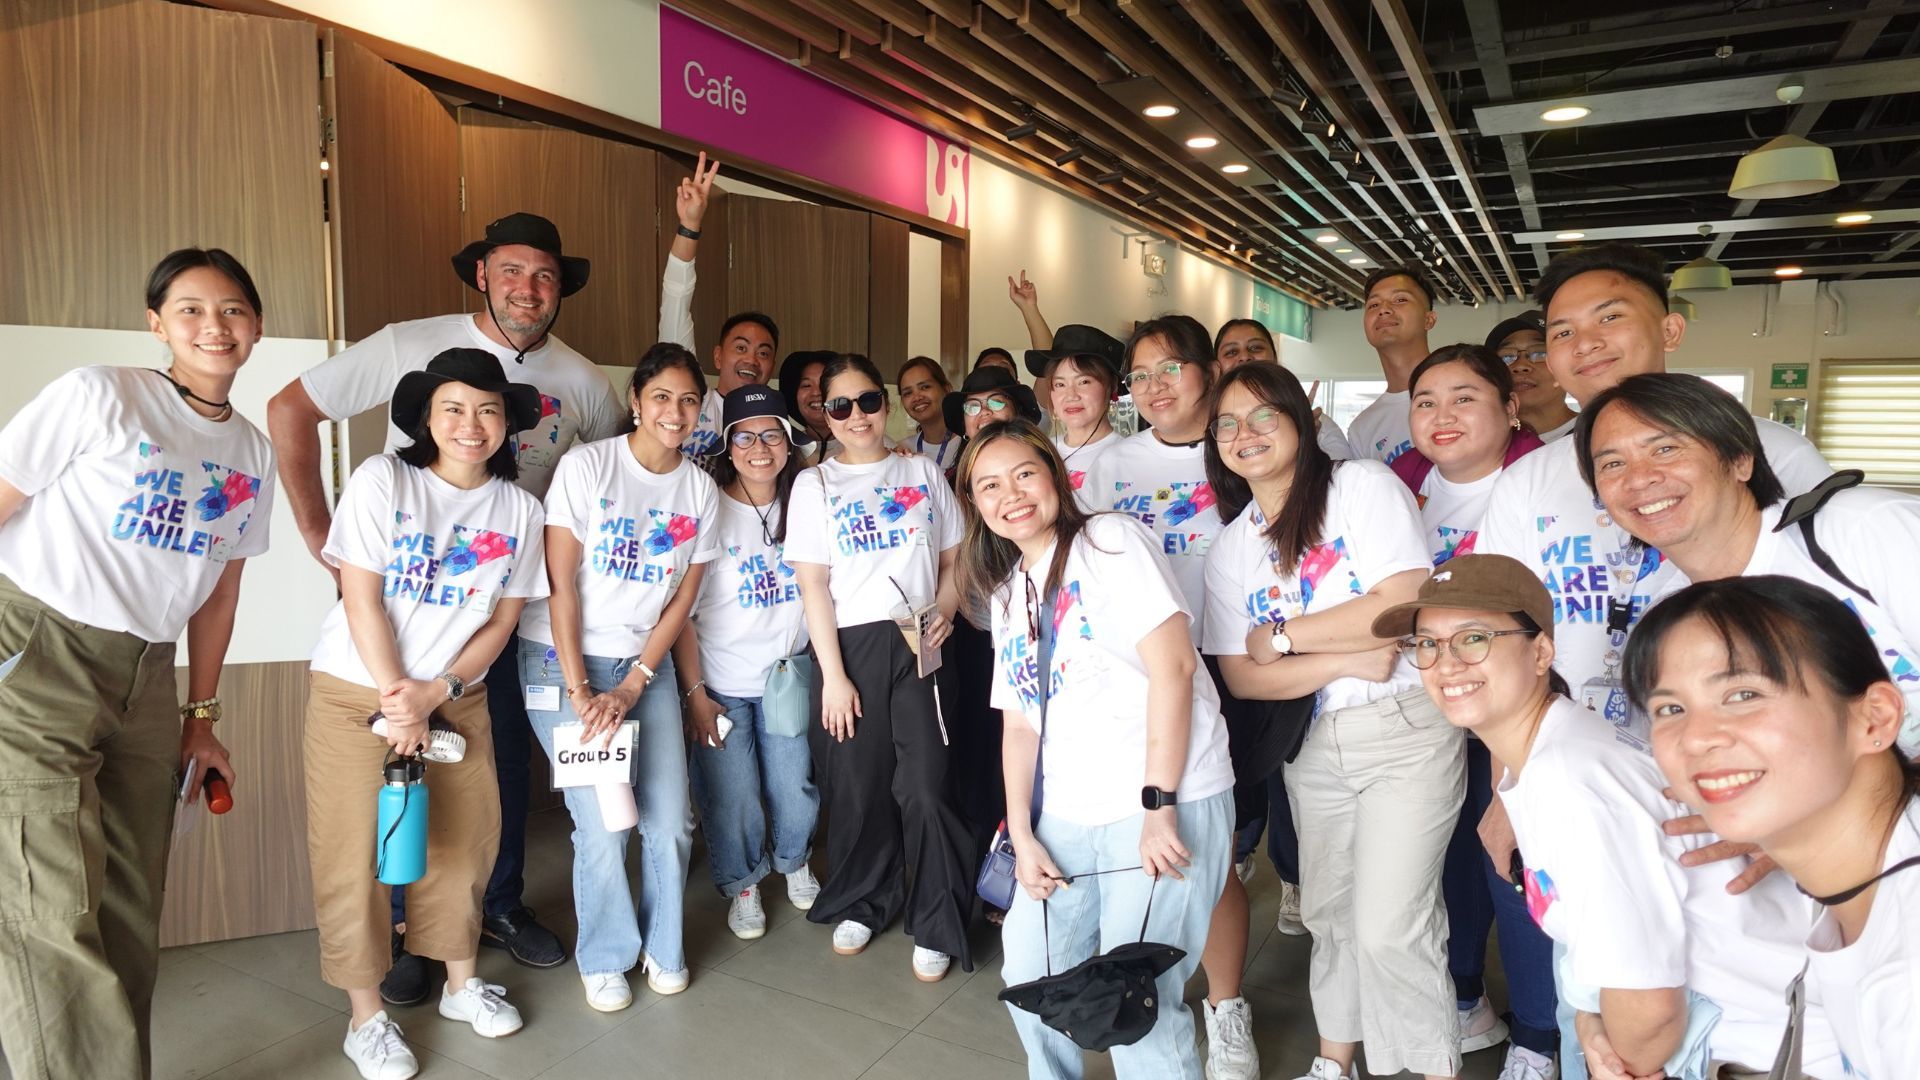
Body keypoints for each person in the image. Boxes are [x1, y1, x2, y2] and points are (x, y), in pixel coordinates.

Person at [268, 212, 619, 988]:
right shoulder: (405, 348)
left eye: (545, 275)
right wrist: (329, 545)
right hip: (400, 626)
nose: (528, 288)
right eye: (511, 271)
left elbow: (612, 478)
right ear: (481, 275)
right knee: (394, 779)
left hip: (507, 614)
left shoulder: (585, 381)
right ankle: (402, 938)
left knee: (485, 783)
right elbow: (290, 410)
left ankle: (486, 912)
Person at [1382, 556, 1844, 1079]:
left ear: (1541, 652)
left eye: (1474, 638)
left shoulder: (1572, 783)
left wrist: (1614, 1051)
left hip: (1753, 1049)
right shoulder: (1555, 749)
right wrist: (1588, 1023)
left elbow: (1649, 1009)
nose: (1446, 663)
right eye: (1427, 643)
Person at [0, 249, 275, 1080]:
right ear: (156, 323)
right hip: (37, 653)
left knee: (126, 898)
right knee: (51, 904)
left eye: (231, 310)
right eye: (189, 309)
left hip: (149, 675)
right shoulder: (101, 395)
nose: (213, 326)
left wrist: (201, 718)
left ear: (255, 327)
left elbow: (218, 597)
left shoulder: (252, 455)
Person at [1203, 363, 1461, 1080]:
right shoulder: (1233, 547)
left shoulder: (1359, 488)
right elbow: (1241, 675)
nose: (1244, 434)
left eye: (1263, 416)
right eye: (1227, 423)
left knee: (1392, 927)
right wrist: (1345, 658)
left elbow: (1402, 600)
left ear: (1302, 420)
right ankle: (1335, 1059)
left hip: (1404, 730)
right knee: (1331, 914)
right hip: (1310, 746)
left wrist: (1283, 636)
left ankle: (1423, 1068)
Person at [958, 420, 1236, 1078]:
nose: (1012, 495)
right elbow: (1021, 725)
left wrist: (1158, 803)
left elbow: (1174, 669)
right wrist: (1022, 835)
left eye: (1024, 473)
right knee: (1032, 976)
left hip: (1162, 800)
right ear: (974, 504)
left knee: (1136, 999)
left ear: (1055, 473)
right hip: (1068, 815)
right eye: (989, 485)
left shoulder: (1110, 541)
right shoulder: (1008, 595)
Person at [304, 348, 548, 1078]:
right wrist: (398, 697)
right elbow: (360, 595)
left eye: (488, 410)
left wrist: (435, 692)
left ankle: (461, 985)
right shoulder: (387, 479)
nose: (471, 425)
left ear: (507, 423)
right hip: (357, 695)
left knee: (466, 845)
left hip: (456, 697)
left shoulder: (520, 508)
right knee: (354, 859)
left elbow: (500, 625)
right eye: (454, 408)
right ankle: (366, 1018)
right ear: (426, 417)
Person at [1476, 241, 1833, 734]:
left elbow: (1837, 618)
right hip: (1579, 756)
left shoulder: (1773, 452)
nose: (1585, 343)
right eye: (1562, 331)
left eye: (1609, 318)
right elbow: (1504, 631)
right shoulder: (1526, 480)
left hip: (1746, 748)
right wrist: (1508, 780)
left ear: (1670, 330)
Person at [1624, 575, 1920, 1079]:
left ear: (1874, 718)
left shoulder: (1906, 976)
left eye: (1743, 694)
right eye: (1670, 708)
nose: (1696, 739)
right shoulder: (1843, 876)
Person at [1081, 315, 1267, 1079]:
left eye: (1172, 369)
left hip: (1228, 667)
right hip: (1136, 683)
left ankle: (1225, 1006)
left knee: (1214, 857)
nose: (1155, 387)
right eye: (1142, 374)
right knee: (1151, 844)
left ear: (1208, 372)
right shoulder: (1109, 462)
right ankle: (1154, 992)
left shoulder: (1242, 449)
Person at [515, 342, 720, 1010]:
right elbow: (561, 587)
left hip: (643, 666)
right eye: (661, 396)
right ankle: (604, 955)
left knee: (669, 820)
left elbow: (681, 601)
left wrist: (635, 681)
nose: (676, 412)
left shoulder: (697, 490)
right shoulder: (586, 467)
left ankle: (664, 948)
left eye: (689, 400)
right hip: (560, 657)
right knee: (605, 821)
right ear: (635, 400)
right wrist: (582, 692)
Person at [1578, 372, 1920, 750]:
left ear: (1741, 460)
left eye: (1665, 449)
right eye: (1612, 464)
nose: (1639, 479)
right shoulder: (1675, 623)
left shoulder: (1861, 530)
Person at [784, 354, 975, 981]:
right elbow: (814, 586)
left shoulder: (921, 471)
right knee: (859, 784)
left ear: (884, 403)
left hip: (921, 640)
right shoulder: (814, 486)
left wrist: (944, 610)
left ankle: (937, 918)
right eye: (840, 406)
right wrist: (833, 677)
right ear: (825, 416)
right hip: (851, 649)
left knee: (925, 784)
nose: (857, 416)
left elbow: (954, 560)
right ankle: (864, 898)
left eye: (867, 401)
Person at [1394, 343, 1558, 1075]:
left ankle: (1539, 1032)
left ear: (1510, 407)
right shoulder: (1397, 488)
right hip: (1422, 706)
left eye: (1465, 398)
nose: (1442, 415)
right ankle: (1465, 996)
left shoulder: (1542, 487)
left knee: (1515, 859)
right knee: (1449, 860)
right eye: (1426, 401)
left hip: (1519, 711)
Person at [672, 385, 822, 942]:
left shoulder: (808, 499)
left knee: (793, 785)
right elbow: (682, 612)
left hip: (788, 676)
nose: (760, 448)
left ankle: (793, 859)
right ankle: (742, 882)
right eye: (745, 436)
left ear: (789, 443)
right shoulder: (707, 507)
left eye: (772, 435)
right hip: (720, 682)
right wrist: (695, 694)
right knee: (730, 793)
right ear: (728, 446)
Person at [1214, 318, 1356, 459]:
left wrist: (1306, 440)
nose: (1244, 357)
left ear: (1275, 357)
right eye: (1231, 352)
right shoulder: (1211, 423)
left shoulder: (1318, 424)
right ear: (1215, 367)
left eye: (1255, 348)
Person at [1347, 266, 1439, 465]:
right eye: (1373, 305)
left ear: (1429, 319)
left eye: (1400, 300)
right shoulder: (1363, 427)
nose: (1384, 310)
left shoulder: (1465, 394)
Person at [1024, 323, 1125, 496]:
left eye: (1083, 382)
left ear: (1113, 386)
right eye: (1060, 384)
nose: (1071, 395)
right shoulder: (1038, 453)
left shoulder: (1128, 456)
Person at [1486, 311, 1577, 442]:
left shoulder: (1597, 432)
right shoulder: (1483, 444)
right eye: (1506, 356)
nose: (1520, 365)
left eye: (1540, 353)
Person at [899, 355, 962, 479]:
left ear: (947, 389)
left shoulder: (968, 443)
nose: (917, 397)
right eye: (908, 393)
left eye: (925, 387)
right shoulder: (902, 450)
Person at [778, 349, 836, 463]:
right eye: (806, 385)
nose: (816, 392)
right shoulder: (784, 449)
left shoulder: (866, 444)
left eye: (824, 384)